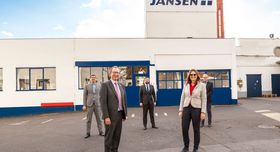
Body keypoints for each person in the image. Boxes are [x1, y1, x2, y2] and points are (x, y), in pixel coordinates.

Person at [100, 66, 128, 152]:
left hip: (120, 115)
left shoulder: (121, 86)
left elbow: (124, 101)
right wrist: (106, 117)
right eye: (114, 72)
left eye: (118, 73)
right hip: (110, 116)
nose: (116, 74)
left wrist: (125, 114)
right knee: (109, 138)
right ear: (110, 73)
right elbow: (103, 102)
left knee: (117, 137)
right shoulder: (105, 85)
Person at [179, 69, 207, 152]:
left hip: (196, 109)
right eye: (191, 75)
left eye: (194, 74)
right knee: (184, 128)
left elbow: (204, 99)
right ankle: (186, 146)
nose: (193, 76)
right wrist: (180, 110)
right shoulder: (186, 85)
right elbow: (182, 97)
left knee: (196, 129)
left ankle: (195, 148)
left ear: (197, 75)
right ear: (189, 76)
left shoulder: (202, 85)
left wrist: (203, 112)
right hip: (186, 108)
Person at [83, 74, 105, 138]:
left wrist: (102, 103)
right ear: (90, 79)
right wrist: (84, 105)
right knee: (88, 120)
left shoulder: (99, 85)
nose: (93, 79)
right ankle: (88, 133)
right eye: (92, 78)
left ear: (96, 79)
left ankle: (101, 131)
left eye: (94, 78)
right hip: (89, 105)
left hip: (97, 105)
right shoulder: (87, 86)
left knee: (99, 119)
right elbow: (85, 96)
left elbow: (102, 95)